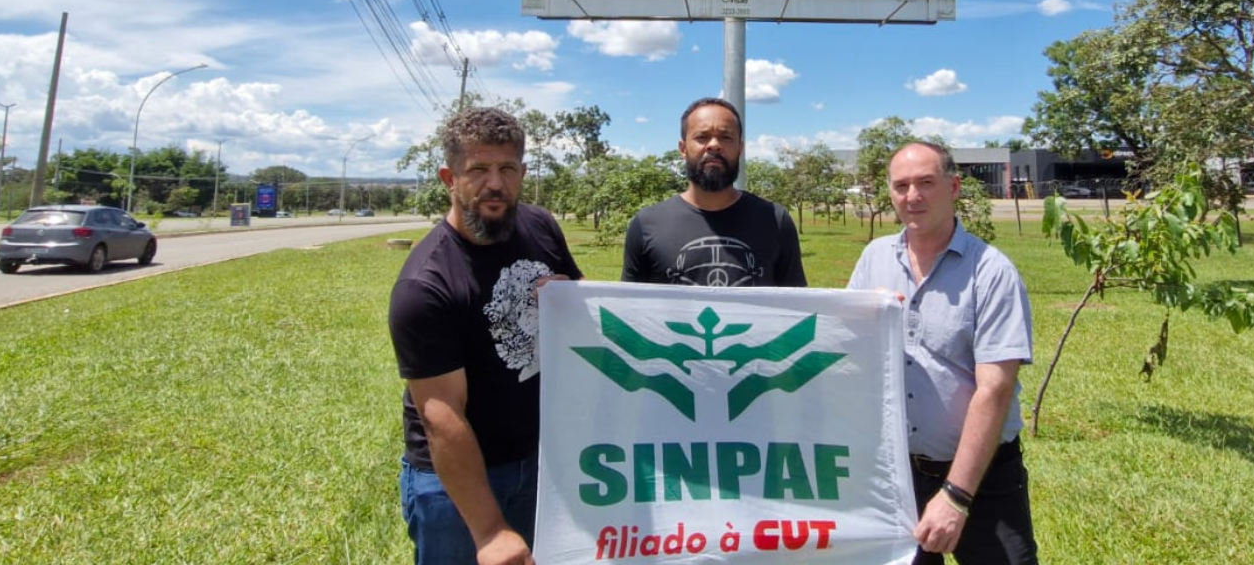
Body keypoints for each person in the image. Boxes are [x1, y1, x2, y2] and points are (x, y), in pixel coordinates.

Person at [388, 106, 583, 565]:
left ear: (523, 172)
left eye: (507, 169)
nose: (495, 184)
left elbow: (579, 304)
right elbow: (441, 415)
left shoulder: (541, 226)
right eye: (478, 169)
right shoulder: (425, 285)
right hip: (455, 483)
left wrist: (567, 299)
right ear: (448, 177)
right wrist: (491, 530)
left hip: (541, 461)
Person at [846, 141, 1038, 565]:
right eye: (901, 186)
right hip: (896, 473)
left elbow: (995, 389)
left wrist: (955, 495)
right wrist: (863, 315)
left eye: (926, 183)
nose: (912, 196)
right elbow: (846, 352)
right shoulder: (873, 259)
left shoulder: (991, 272)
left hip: (982, 476)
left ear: (953, 187)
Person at [622, 97, 806, 287]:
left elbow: (799, 308)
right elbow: (629, 309)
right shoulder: (646, 225)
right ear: (683, 148)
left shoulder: (775, 221)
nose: (714, 145)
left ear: (740, 149)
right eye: (702, 137)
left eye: (726, 137)